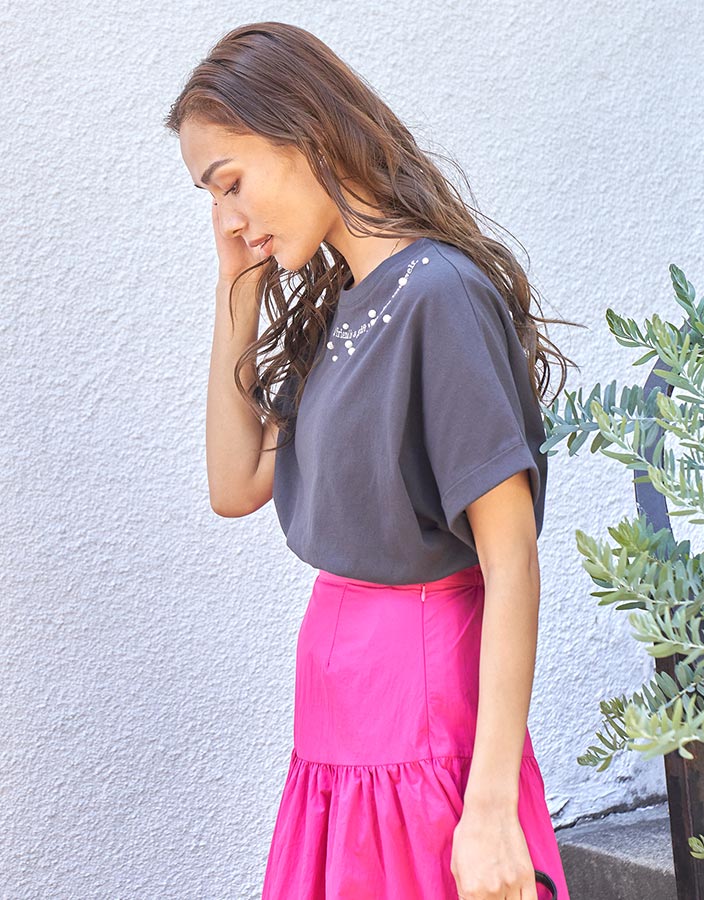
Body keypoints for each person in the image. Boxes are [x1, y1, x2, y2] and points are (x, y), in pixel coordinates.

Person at [166, 20, 579, 900]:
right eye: (211, 197)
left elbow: (511, 556)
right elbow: (233, 484)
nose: (227, 218)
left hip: (419, 719)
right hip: (338, 729)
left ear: (306, 131)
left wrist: (489, 808)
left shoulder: (438, 294)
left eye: (231, 183)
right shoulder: (344, 307)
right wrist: (236, 289)